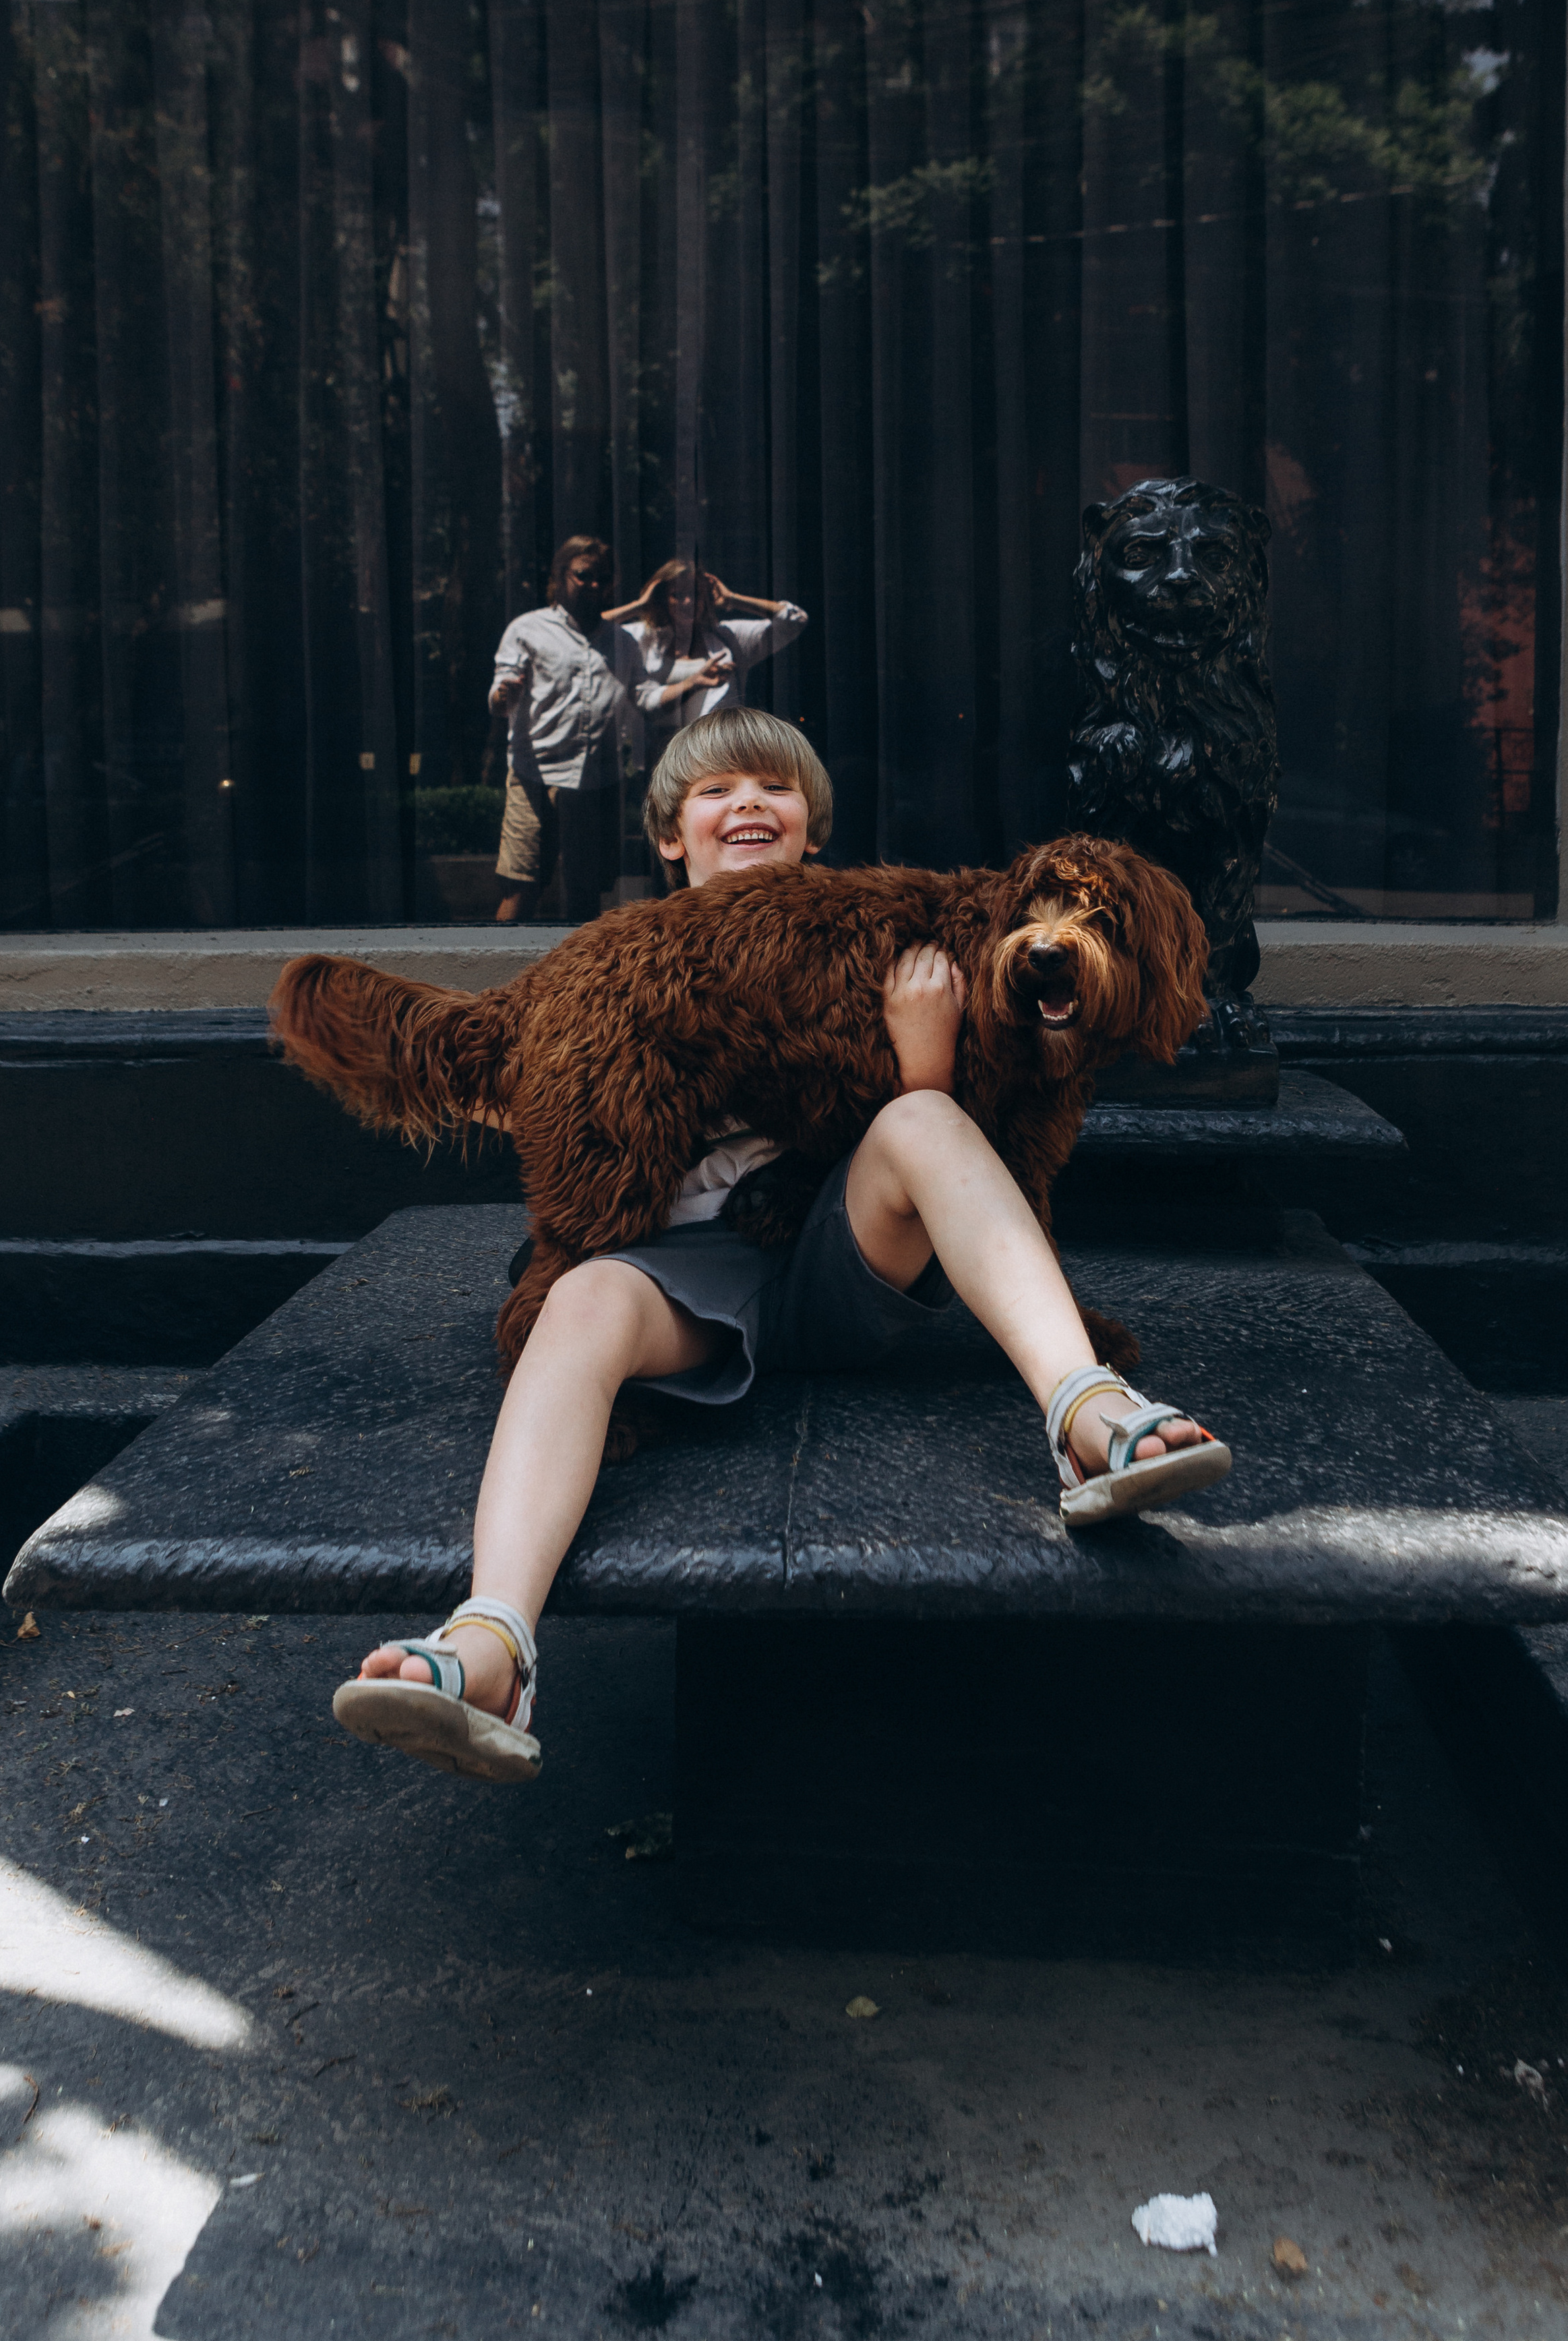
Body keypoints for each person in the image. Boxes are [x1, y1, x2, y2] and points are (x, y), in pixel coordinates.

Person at [334, 709, 1230, 1783]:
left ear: (814, 830)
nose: (748, 803)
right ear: (670, 836)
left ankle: (1087, 1413)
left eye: (776, 789)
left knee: (924, 1124)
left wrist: (925, 1065)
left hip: (836, 1255)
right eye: (715, 792)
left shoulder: (892, 949)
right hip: (680, 1284)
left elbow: (978, 1165)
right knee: (577, 1302)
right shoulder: (616, 963)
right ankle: (493, 1645)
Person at [489, 535, 642, 924]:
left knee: (585, 892)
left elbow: (647, 696)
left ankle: (581, 981)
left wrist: (696, 682)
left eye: (602, 577)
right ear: (560, 575)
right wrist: (505, 692)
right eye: (584, 575)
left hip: (595, 781)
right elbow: (499, 697)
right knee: (521, 884)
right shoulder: (529, 629)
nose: (593, 585)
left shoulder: (622, 642)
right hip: (534, 776)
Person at [620, 560, 808, 746]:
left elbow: (794, 621)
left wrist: (732, 599)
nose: (689, 602)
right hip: (658, 752)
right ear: (663, 599)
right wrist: (641, 605)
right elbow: (597, 636)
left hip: (712, 753)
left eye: (696, 594)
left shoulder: (727, 637)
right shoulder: (642, 638)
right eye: (678, 595)